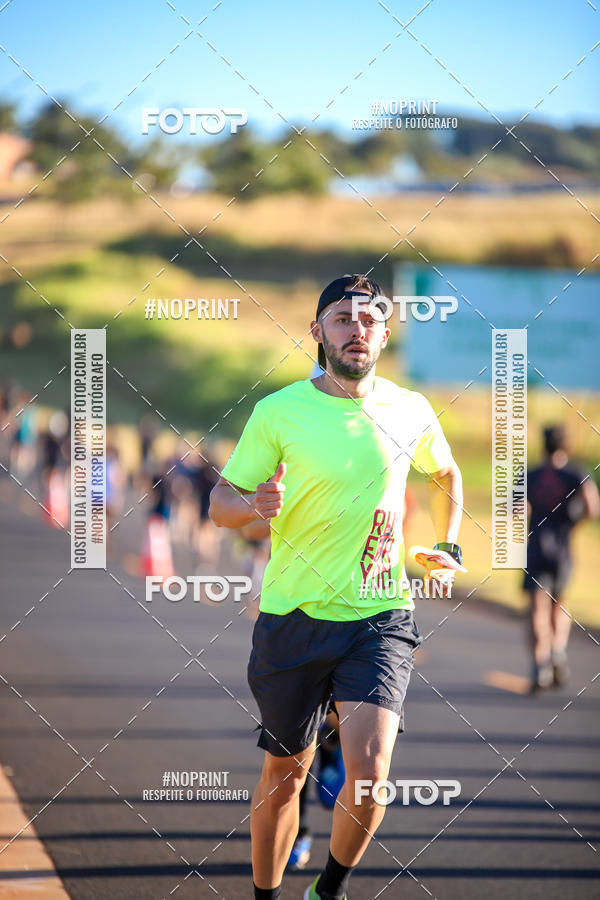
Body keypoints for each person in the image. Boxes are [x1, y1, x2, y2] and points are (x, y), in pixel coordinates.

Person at [209, 274, 464, 900]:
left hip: (380, 615)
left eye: (370, 320)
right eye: (344, 318)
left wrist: (450, 543)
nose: (357, 329)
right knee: (284, 777)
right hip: (293, 616)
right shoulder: (279, 411)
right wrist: (253, 505)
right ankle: (266, 895)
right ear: (318, 330)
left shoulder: (410, 408)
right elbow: (220, 503)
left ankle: (329, 890)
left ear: (385, 334)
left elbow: (445, 471)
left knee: (371, 777)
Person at [524, 425, 600, 691]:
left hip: (536, 548)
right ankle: (557, 649)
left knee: (537, 606)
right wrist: (573, 524)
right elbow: (592, 507)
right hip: (563, 549)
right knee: (560, 602)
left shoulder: (530, 475)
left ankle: (540, 663)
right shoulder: (576, 474)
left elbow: (516, 508)